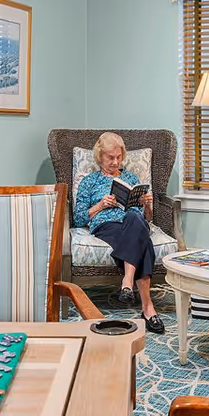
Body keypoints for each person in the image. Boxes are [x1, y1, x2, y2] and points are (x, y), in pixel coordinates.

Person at [73, 132, 165, 334]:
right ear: (100, 157)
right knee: (144, 243)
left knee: (135, 219)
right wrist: (100, 205)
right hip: (107, 225)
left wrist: (147, 205)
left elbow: (147, 218)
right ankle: (148, 309)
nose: (116, 162)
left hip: (133, 222)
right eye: (110, 158)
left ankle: (127, 283)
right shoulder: (90, 181)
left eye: (118, 157)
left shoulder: (131, 178)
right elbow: (78, 218)